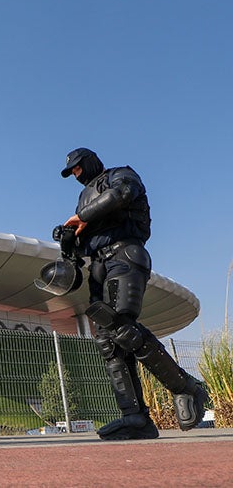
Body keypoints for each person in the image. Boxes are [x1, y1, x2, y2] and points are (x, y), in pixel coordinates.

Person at [50, 147, 208, 440]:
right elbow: (79, 249)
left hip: (125, 255)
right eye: (71, 171)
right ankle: (134, 418)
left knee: (123, 327)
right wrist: (68, 240)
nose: (76, 173)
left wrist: (81, 217)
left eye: (77, 167)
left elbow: (124, 193)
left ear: (89, 161)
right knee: (108, 342)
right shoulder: (83, 197)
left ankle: (187, 388)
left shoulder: (119, 174)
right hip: (98, 267)